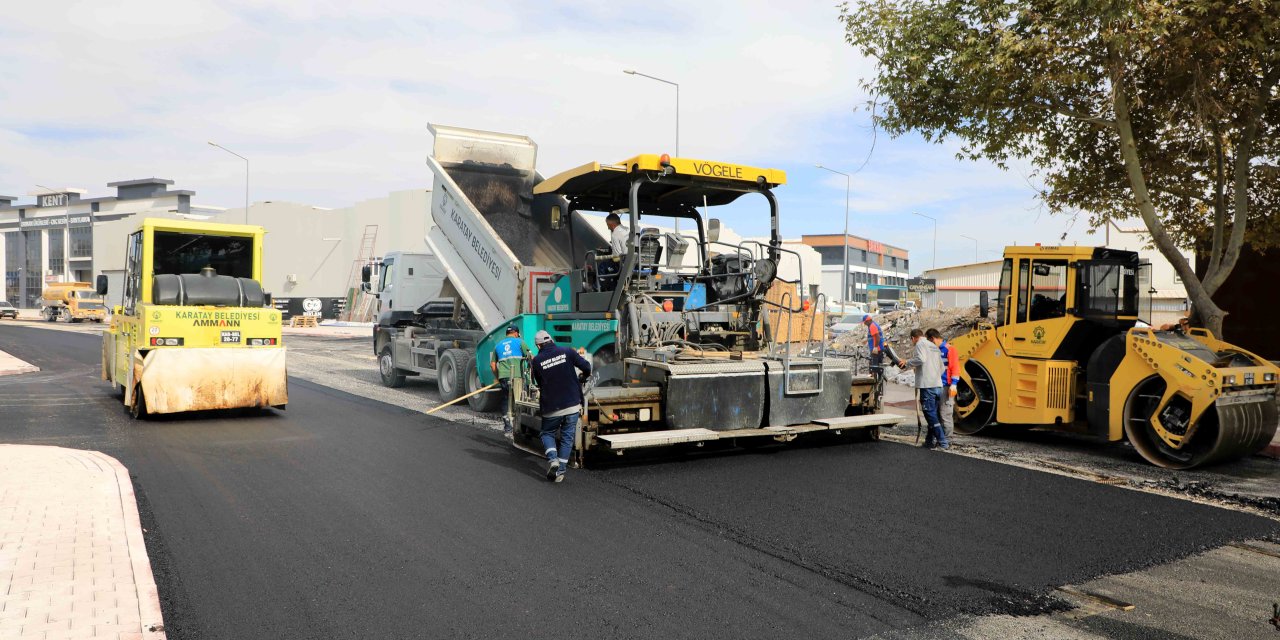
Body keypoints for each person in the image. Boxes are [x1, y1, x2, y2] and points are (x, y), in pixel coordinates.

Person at [530, 330, 592, 482]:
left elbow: (538, 382)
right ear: (551, 340)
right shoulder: (567, 351)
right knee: (566, 438)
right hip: (572, 404)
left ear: (538, 346)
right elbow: (587, 367)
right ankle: (561, 472)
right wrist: (583, 376)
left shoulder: (537, 361)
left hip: (552, 406)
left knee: (547, 433)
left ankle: (553, 460)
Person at [898, 328, 949, 450]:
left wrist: (908, 362)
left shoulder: (920, 344)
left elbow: (921, 359)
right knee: (934, 414)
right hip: (938, 385)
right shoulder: (933, 346)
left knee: (930, 414)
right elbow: (942, 368)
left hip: (927, 386)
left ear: (913, 338)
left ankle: (943, 442)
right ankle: (929, 441)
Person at [491, 325, 531, 438]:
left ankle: (508, 428)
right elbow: (530, 357)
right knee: (521, 400)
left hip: (504, 377)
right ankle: (523, 428)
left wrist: (498, 377)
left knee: (506, 399)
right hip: (518, 377)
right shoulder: (520, 342)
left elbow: (492, 365)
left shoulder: (498, 345)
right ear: (516, 333)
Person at [926, 328, 960, 440]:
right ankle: (937, 439)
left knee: (945, 414)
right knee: (934, 414)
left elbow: (955, 368)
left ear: (933, 339)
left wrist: (954, 384)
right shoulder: (933, 350)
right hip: (934, 386)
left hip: (946, 387)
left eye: (929, 341)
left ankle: (947, 440)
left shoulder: (950, 349)